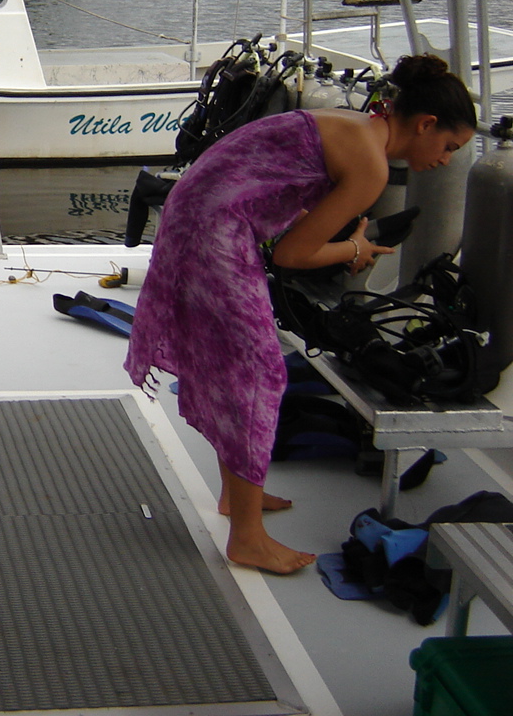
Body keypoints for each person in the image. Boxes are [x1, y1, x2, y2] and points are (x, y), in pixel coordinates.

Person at [124, 54, 476, 574]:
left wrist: (346, 240)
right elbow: (292, 256)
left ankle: (235, 495)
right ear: (425, 124)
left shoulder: (358, 128)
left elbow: (280, 191)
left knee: (237, 368)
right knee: (258, 373)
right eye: (449, 146)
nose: (445, 160)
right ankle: (246, 537)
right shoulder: (372, 164)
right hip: (212, 231)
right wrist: (353, 252)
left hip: (199, 214)